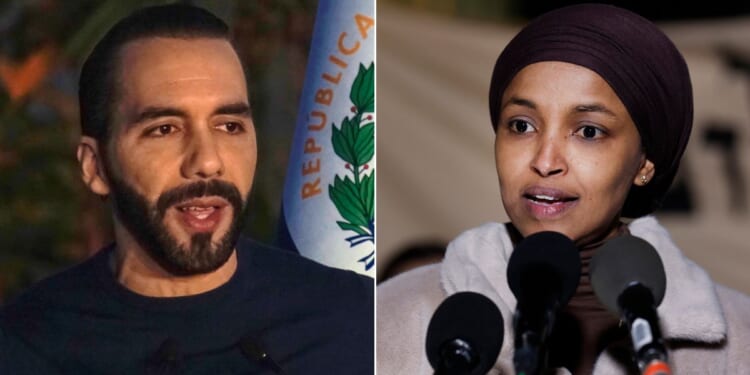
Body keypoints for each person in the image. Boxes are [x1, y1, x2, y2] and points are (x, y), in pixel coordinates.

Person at [377, 4, 750, 374]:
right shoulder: (393, 319)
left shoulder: (739, 338)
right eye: (522, 125)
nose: (545, 160)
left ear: (644, 164)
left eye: (589, 131)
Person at [0, 4, 373, 374]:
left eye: (229, 126)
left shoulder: (358, 320)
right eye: (164, 129)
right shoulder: (23, 345)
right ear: (95, 166)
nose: (207, 162)